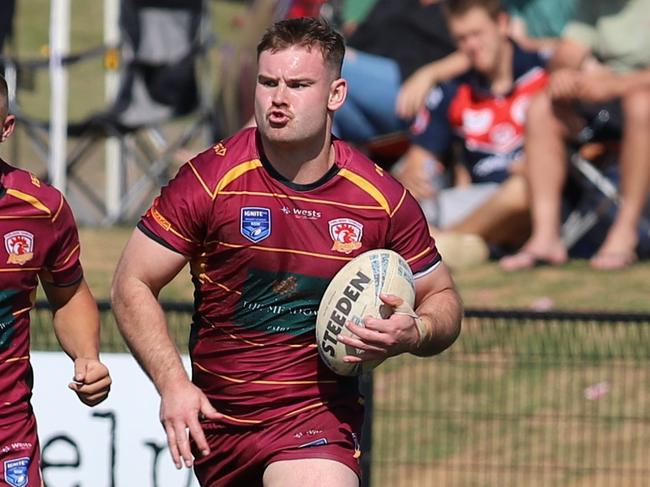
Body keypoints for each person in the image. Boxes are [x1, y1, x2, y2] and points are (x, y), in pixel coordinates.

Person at [111, 17, 462, 487]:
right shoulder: (209, 180)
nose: (278, 98)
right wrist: (173, 384)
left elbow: (443, 297)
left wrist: (416, 330)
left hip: (316, 419)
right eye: (267, 82)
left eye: (298, 85)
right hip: (221, 426)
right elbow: (131, 282)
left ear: (336, 94)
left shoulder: (380, 199)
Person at [0, 75, 111, 486]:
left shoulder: (40, 209)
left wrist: (87, 356)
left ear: (6, 128)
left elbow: (67, 296)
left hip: (7, 435)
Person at [393, 0, 548, 265]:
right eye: (461, 39)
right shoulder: (455, 90)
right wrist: (413, 176)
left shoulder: (542, 74)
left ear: (501, 24)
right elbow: (421, 160)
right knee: (401, 204)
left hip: (534, 196)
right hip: (475, 200)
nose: (471, 46)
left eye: (477, 34)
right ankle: (457, 243)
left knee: (522, 191)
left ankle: (437, 247)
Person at [500, 0, 650, 271]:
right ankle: (545, 237)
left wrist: (615, 84)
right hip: (606, 100)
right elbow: (568, 53)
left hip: (638, 99)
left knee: (642, 105)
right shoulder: (595, 5)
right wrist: (563, 74)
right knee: (541, 108)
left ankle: (626, 231)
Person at [332, 0, 466, 143]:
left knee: (326, 64)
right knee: (323, 104)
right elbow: (364, 35)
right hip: (368, 79)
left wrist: (430, 74)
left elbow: (477, 50)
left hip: (412, 89)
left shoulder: (458, 7)